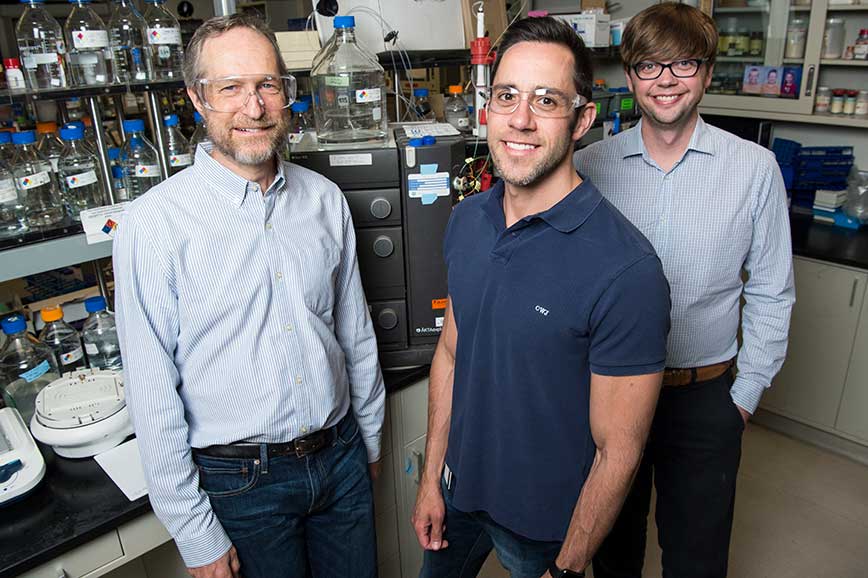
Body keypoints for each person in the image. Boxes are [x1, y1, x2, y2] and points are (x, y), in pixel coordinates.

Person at [113, 13, 385, 578]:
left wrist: (372, 444)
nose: (253, 107)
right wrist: (194, 532)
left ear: (287, 92)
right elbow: (152, 389)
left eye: (267, 84)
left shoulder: (324, 200)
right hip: (241, 487)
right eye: (229, 88)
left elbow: (354, 335)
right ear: (196, 98)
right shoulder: (153, 224)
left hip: (341, 461)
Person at [412, 16, 672, 578]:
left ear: (582, 120)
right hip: (458, 493)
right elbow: (453, 354)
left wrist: (570, 565)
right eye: (507, 96)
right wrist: (432, 477)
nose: (520, 120)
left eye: (546, 100)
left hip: (545, 529)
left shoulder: (627, 270)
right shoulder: (466, 221)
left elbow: (618, 451)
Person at [574, 4, 795, 577]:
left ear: (706, 72)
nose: (666, 80)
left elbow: (772, 290)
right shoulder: (590, 169)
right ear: (630, 77)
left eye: (683, 64)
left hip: (707, 396)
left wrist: (743, 397)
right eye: (649, 65)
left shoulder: (755, 169)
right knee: (612, 553)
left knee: (697, 558)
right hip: (611, 392)